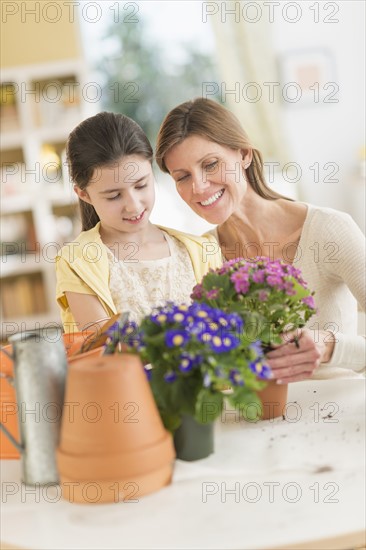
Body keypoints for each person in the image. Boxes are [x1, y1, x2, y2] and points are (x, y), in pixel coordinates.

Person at [155, 98, 365, 382]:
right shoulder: (200, 256)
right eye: (182, 177)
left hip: (337, 414)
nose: (199, 187)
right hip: (252, 419)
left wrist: (331, 347)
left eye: (211, 164)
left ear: (244, 154)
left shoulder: (329, 230)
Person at [55, 111, 222, 333]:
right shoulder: (78, 262)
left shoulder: (201, 251)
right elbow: (105, 353)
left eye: (141, 185)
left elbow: (225, 334)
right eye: (114, 196)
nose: (133, 205)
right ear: (84, 194)